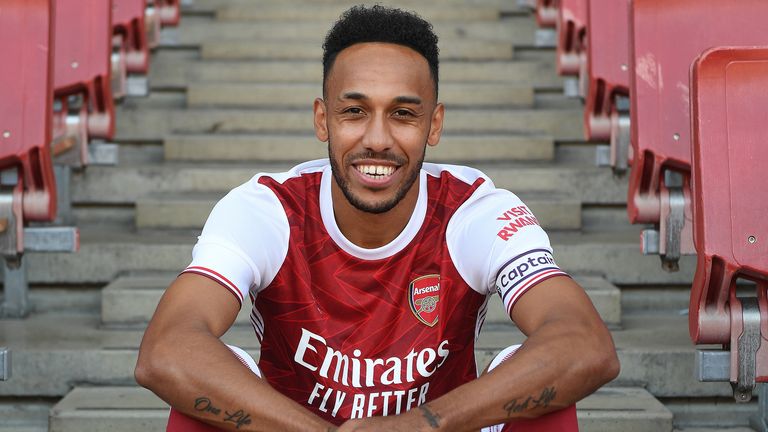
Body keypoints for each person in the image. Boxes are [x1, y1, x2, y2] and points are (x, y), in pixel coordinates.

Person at [135, 5, 620, 431]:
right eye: (354, 111)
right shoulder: (267, 210)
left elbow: (584, 344)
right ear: (322, 119)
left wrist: (425, 424)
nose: (378, 139)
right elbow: (168, 350)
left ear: (435, 124)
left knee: (549, 386)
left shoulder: (474, 211)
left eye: (404, 114)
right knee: (200, 393)